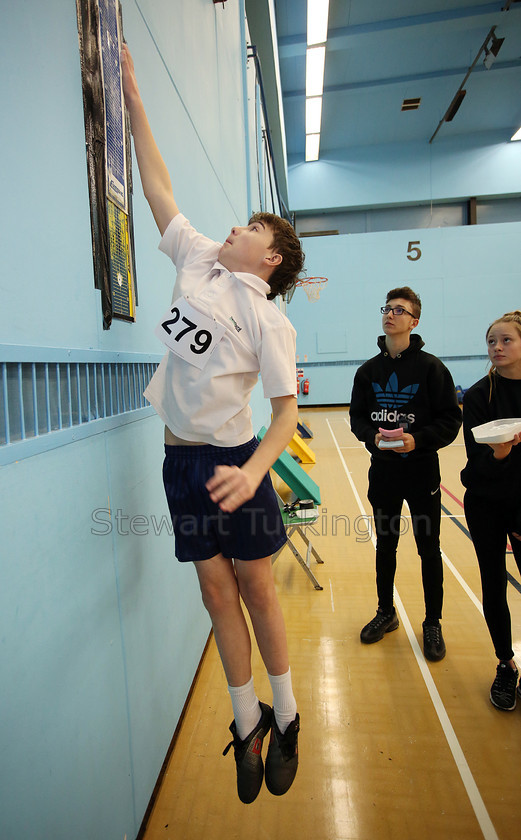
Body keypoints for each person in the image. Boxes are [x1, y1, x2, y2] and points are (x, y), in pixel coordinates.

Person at [120, 44, 303, 803]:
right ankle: (246, 719)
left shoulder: (266, 319)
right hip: (179, 463)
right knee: (213, 597)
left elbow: (287, 410)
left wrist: (256, 470)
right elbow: (158, 183)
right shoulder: (197, 258)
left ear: (271, 259)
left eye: (251, 228)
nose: (235, 227)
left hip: (234, 463)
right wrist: (130, 94)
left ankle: (288, 713)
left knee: (257, 592)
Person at [350, 287, 462, 661]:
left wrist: (418, 440)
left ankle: (433, 621)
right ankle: (386, 612)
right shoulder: (368, 372)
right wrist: (372, 439)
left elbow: (450, 420)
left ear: (414, 321)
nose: (391, 314)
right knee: (386, 546)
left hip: (421, 472)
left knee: (428, 548)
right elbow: (357, 419)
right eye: (387, 308)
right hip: (383, 474)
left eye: (400, 310)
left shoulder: (431, 368)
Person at [461, 311, 521, 711]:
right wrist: (500, 455)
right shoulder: (480, 395)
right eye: (491, 342)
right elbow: (474, 465)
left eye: (506, 341)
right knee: (493, 584)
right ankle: (505, 663)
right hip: (485, 504)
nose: (497, 348)